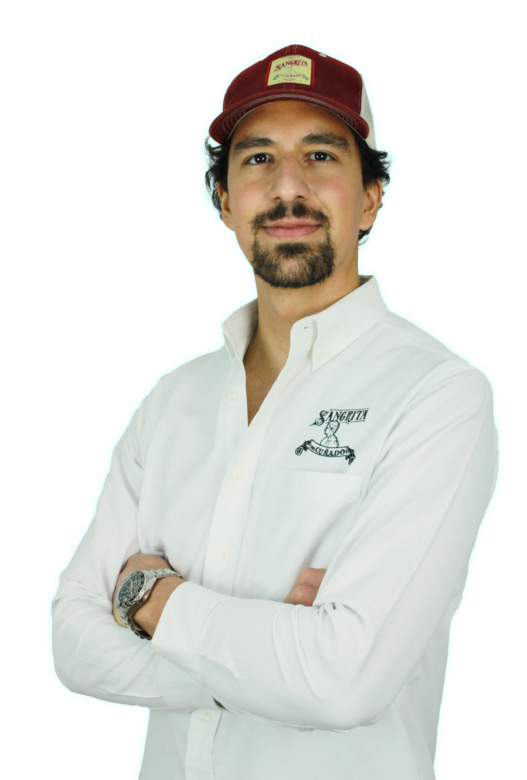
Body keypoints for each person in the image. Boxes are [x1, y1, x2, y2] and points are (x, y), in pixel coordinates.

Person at [51, 44, 500, 780]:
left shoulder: (438, 394)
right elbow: (71, 644)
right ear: (223, 200)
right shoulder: (171, 399)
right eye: (258, 159)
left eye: (321, 155)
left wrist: (151, 601)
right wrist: (267, 662)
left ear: (371, 197)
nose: (288, 186)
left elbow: (343, 681)